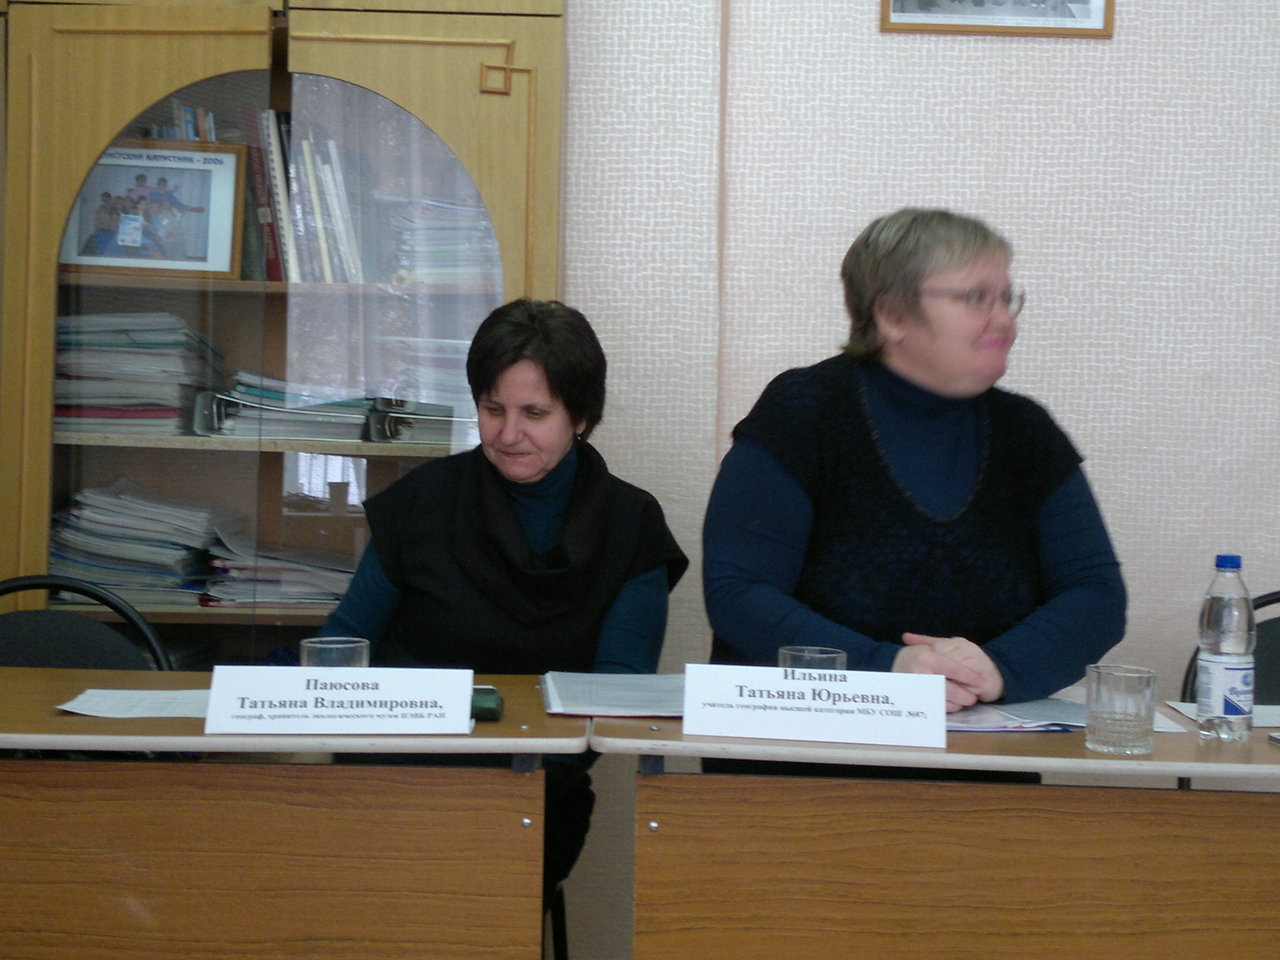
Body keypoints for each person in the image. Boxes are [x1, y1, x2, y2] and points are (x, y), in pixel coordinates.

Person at [321, 297, 688, 896]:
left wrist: (513, 779)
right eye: (493, 409)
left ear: (580, 416)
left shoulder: (631, 526)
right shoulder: (421, 503)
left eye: (534, 413)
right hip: (394, 772)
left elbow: (617, 694)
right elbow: (343, 644)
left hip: (539, 788)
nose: (509, 433)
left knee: (486, 888)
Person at [703, 207, 1126, 714]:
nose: (1005, 321)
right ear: (892, 315)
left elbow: (1097, 595)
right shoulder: (804, 410)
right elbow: (738, 593)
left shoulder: (1026, 431)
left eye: (1007, 298)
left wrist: (997, 668)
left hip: (980, 738)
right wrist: (888, 669)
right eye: (976, 298)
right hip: (807, 736)